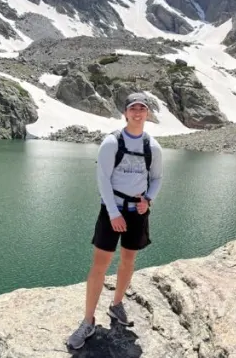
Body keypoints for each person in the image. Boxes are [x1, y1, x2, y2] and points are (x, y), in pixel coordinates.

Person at [67, 92, 164, 350]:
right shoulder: (112, 142)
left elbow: (156, 179)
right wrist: (113, 213)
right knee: (100, 264)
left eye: (142, 108)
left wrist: (149, 200)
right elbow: (102, 179)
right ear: (125, 112)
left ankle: (116, 304)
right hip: (113, 210)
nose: (138, 112)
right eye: (133, 108)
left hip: (138, 212)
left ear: (147, 113)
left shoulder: (152, 147)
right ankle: (88, 320)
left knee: (128, 260)